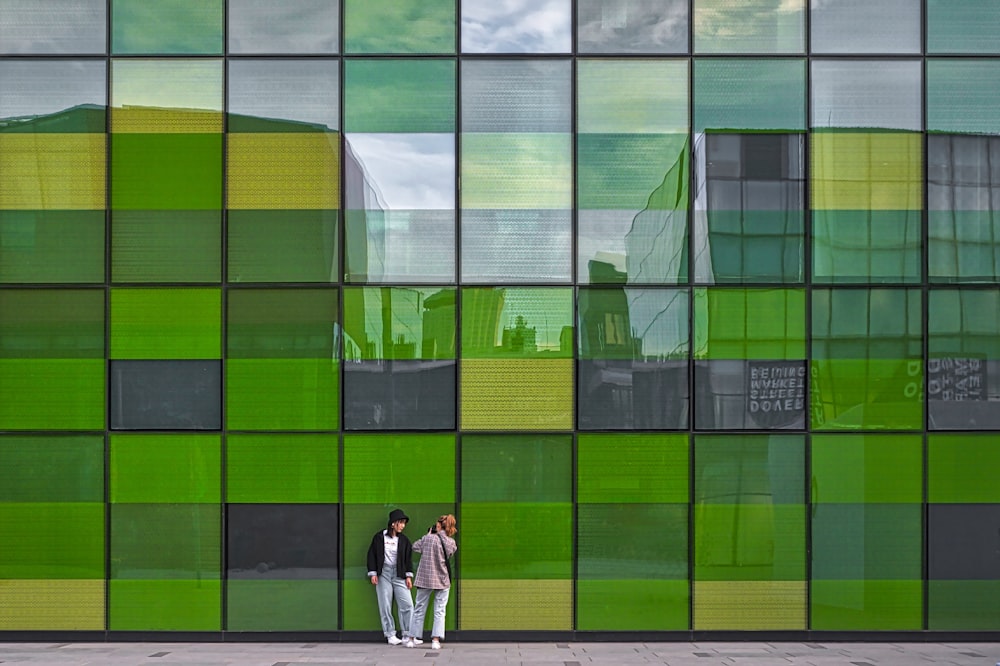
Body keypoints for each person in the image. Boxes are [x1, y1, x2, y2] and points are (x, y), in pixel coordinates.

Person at [406, 514, 458, 650]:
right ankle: (435, 640)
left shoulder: (428, 538)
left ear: (439, 525)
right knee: (440, 610)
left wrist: (428, 534)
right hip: (442, 579)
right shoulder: (451, 542)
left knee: (419, 609)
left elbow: (415, 546)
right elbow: (451, 552)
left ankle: (412, 638)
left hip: (425, 578)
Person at [366, 508, 416, 645]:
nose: (403, 526)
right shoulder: (379, 537)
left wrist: (408, 577)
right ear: (393, 523)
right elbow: (372, 555)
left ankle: (408, 634)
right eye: (401, 523)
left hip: (399, 574)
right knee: (385, 604)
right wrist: (373, 573)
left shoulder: (404, 540)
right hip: (384, 574)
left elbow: (408, 559)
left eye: (404, 523)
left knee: (407, 604)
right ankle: (390, 634)